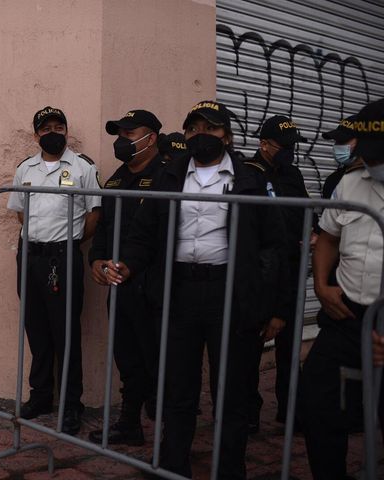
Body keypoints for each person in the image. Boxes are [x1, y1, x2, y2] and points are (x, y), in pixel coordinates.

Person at [103, 100, 285, 479]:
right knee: (176, 388)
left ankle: (230, 468)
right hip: (178, 293)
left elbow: (274, 246)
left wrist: (273, 305)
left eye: (212, 129)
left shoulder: (249, 180)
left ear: (228, 136)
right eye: (194, 129)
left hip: (229, 295)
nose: (202, 136)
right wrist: (129, 263)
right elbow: (144, 234)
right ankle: (173, 465)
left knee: (231, 390)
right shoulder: (170, 174)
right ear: (185, 134)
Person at [299, 98, 384, 480]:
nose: (371, 162)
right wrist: (321, 283)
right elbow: (329, 237)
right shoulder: (350, 181)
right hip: (347, 314)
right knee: (319, 404)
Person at [7, 106, 101, 435]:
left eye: (58, 126)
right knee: (36, 329)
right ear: (36, 134)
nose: (52, 131)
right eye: (45, 127)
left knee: (66, 333)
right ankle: (41, 396)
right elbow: (20, 212)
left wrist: (68, 243)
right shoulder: (25, 169)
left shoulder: (83, 167)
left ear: (66, 130)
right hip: (30, 257)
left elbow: (93, 215)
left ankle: (71, 403)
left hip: (63, 258)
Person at [88, 109, 165, 445]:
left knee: (159, 362)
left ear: (152, 138)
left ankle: (169, 438)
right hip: (121, 285)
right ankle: (129, 424)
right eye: (119, 134)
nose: (122, 141)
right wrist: (96, 260)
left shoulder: (168, 177)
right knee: (128, 358)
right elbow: (104, 226)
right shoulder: (118, 179)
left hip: (156, 286)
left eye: (129, 134)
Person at [244, 114, 313, 433]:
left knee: (288, 345)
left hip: (291, 268)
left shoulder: (293, 174)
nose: (289, 151)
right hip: (261, 272)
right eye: (283, 146)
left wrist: (309, 234)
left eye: (292, 146)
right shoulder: (250, 175)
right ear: (264, 145)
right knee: (250, 348)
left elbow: (304, 213)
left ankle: (290, 409)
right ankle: (249, 411)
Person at [321, 115, 362, 201]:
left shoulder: (377, 180)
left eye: (343, 141)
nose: (337, 145)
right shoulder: (333, 181)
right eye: (336, 141)